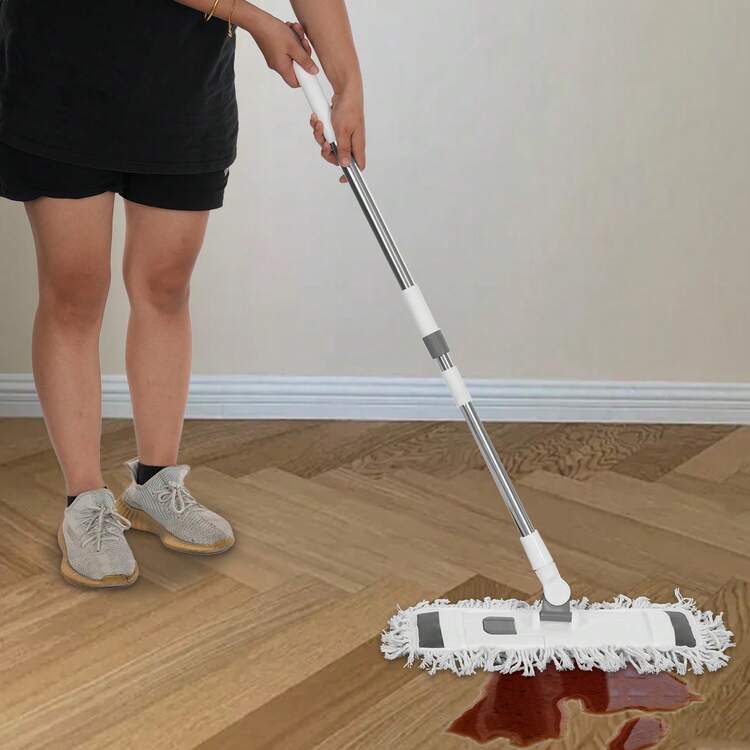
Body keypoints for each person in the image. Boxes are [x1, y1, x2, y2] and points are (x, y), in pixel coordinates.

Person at [0, 0, 365, 588]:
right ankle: (84, 503)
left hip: (182, 89)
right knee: (74, 293)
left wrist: (348, 87)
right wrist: (254, 19)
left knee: (166, 286)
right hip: (61, 72)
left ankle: (155, 484)